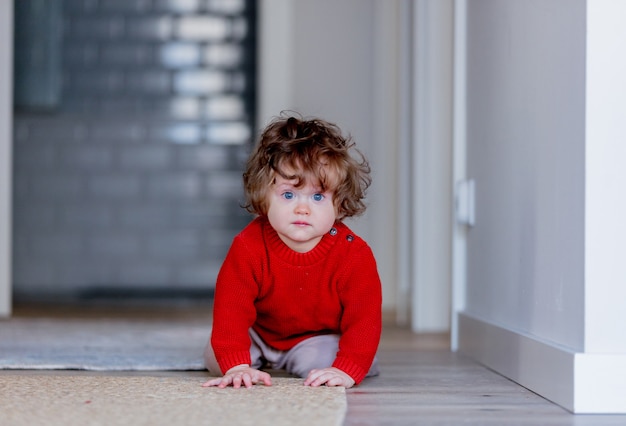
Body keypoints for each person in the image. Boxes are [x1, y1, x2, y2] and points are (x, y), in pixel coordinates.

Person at [202, 113, 382, 389]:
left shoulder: (354, 255)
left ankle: (327, 360)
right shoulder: (248, 246)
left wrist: (349, 368)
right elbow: (230, 308)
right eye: (288, 194)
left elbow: (365, 319)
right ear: (264, 195)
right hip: (259, 334)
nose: (302, 208)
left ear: (340, 205)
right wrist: (236, 365)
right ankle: (252, 363)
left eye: (318, 196)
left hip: (315, 338)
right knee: (217, 356)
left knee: (334, 362)